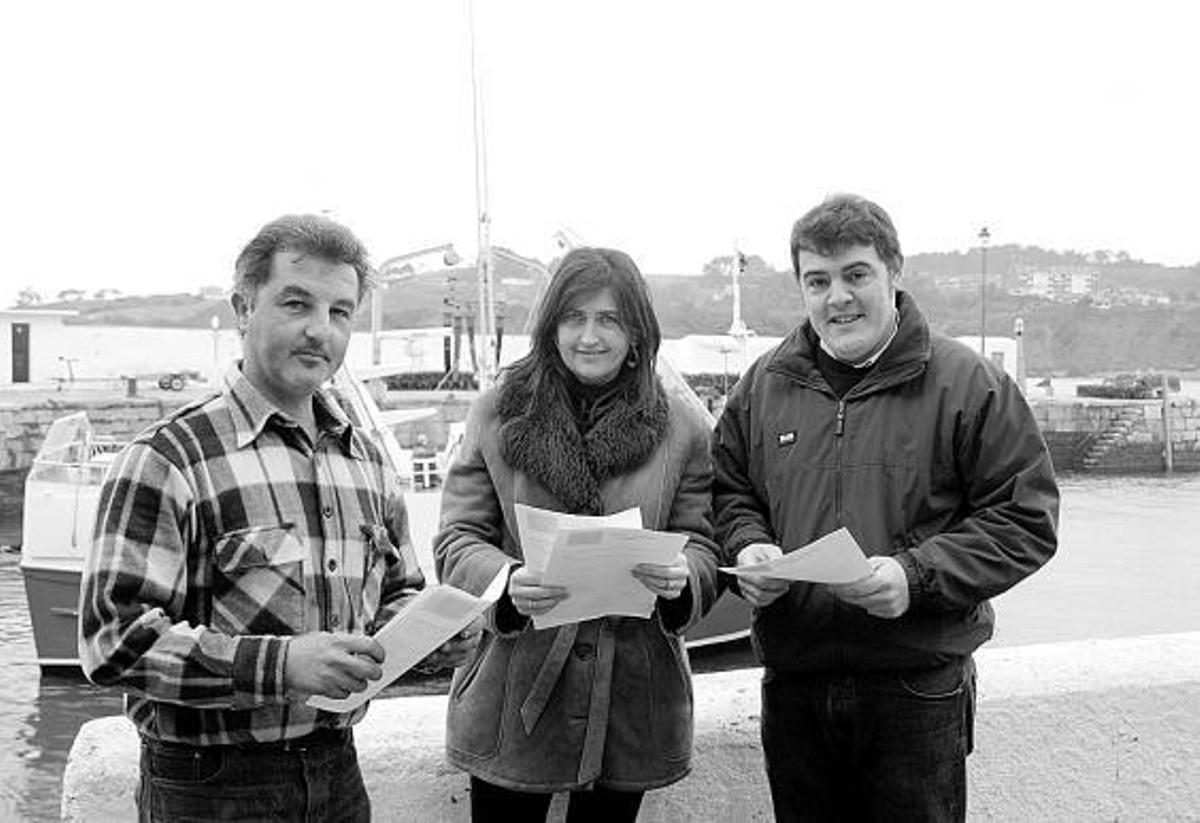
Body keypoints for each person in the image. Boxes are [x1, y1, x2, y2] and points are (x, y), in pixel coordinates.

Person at [79, 213, 481, 822]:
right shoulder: (168, 458)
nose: (321, 331)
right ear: (244, 307)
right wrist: (284, 666)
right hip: (207, 788)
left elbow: (398, 594)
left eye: (340, 312)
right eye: (297, 304)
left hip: (338, 771)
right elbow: (114, 642)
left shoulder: (367, 460)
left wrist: (440, 636)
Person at [712, 194, 1059, 822]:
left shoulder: (969, 384)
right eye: (817, 281)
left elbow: (1025, 519)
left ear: (893, 273)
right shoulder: (761, 386)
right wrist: (748, 544)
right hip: (796, 683)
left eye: (855, 274)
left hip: (918, 688)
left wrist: (915, 576)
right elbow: (728, 490)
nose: (836, 297)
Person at [434, 247, 722, 822]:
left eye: (609, 319)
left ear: (637, 331)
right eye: (574, 318)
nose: (589, 336)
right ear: (551, 327)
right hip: (514, 695)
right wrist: (507, 582)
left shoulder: (683, 427)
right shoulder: (496, 414)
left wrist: (683, 577)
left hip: (633, 696)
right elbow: (458, 538)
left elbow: (704, 543)